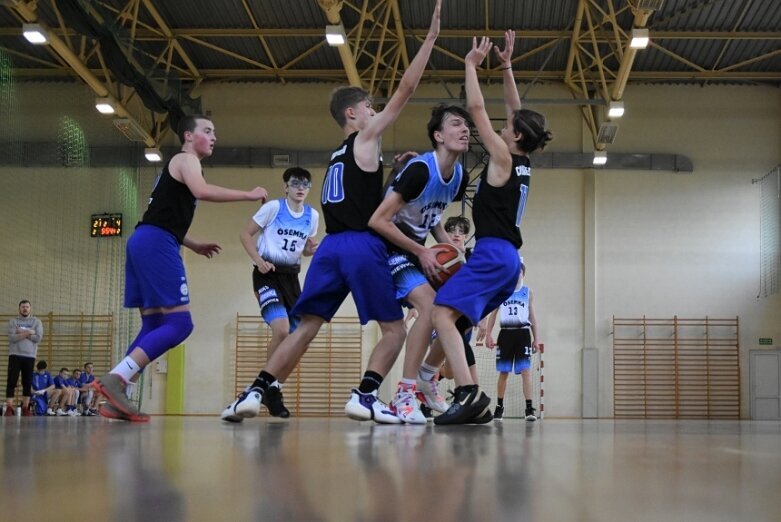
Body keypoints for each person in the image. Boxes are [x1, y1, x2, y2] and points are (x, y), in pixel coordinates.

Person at [221, 0, 443, 425]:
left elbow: (361, 193)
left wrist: (391, 168)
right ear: (353, 114)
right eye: (370, 109)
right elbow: (405, 93)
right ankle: (366, 394)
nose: (377, 113)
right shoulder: (366, 136)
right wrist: (430, 39)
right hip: (362, 245)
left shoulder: (339, 155)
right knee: (395, 329)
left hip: (329, 250)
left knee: (305, 328)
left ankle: (253, 393)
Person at [93, 114, 268, 422]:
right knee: (180, 325)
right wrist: (248, 195)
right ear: (189, 136)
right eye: (208, 131)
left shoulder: (178, 168)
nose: (214, 137)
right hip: (156, 243)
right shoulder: (187, 160)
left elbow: (162, 215)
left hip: (144, 239)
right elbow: (202, 191)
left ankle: (117, 398)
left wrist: (192, 243)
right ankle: (116, 379)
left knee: (153, 326)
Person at [431, 31, 552, 425]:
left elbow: (477, 108)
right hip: (507, 261)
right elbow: (517, 109)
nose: (503, 122)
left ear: (515, 136)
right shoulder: (523, 160)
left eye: (509, 124)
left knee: (441, 314)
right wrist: (506, 66)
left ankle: (467, 393)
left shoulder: (501, 156)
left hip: (493, 253)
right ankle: (428, 381)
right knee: (460, 318)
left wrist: (470, 66)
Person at [368, 103, 471, 424]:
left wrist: (449, 247)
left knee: (467, 304)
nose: (465, 129)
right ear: (438, 135)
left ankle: (427, 375)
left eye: (467, 125)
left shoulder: (458, 176)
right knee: (428, 308)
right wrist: (423, 251)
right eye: (456, 124)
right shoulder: (419, 170)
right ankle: (404, 392)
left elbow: (433, 217)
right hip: (388, 248)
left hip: (418, 249)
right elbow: (378, 219)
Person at [223, 168, 319, 422]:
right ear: (285, 187)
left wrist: (311, 249)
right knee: (282, 329)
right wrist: (258, 260)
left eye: (305, 184)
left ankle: (273, 388)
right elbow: (245, 235)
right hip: (267, 274)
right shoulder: (274, 209)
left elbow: (304, 251)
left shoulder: (312, 216)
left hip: (291, 278)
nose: (301, 187)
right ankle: (268, 387)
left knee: (301, 338)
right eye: (295, 183)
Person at [484, 260, 541, 421]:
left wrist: (536, 338)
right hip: (505, 334)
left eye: (519, 272)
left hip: (523, 334)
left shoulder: (527, 292)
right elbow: (493, 314)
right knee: (504, 372)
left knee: (526, 372)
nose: (516, 275)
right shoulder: (501, 291)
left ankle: (529, 408)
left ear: (523, 274)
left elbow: (532, 316)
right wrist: (488, 334)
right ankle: (499, 407)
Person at [4, 299, 43, 417]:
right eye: (23, 307)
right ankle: (9, 408)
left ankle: (25, 407)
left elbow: (38, 338)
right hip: (15, 354)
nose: (25, 309)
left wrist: (21, 332)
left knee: (27, 382)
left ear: (30, 309)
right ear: (19, 308)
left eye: (27, 307)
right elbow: (12, 338)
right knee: (11, 381)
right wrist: (29, 332)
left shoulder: (36, 321)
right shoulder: (13, 321)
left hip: (29, 356)